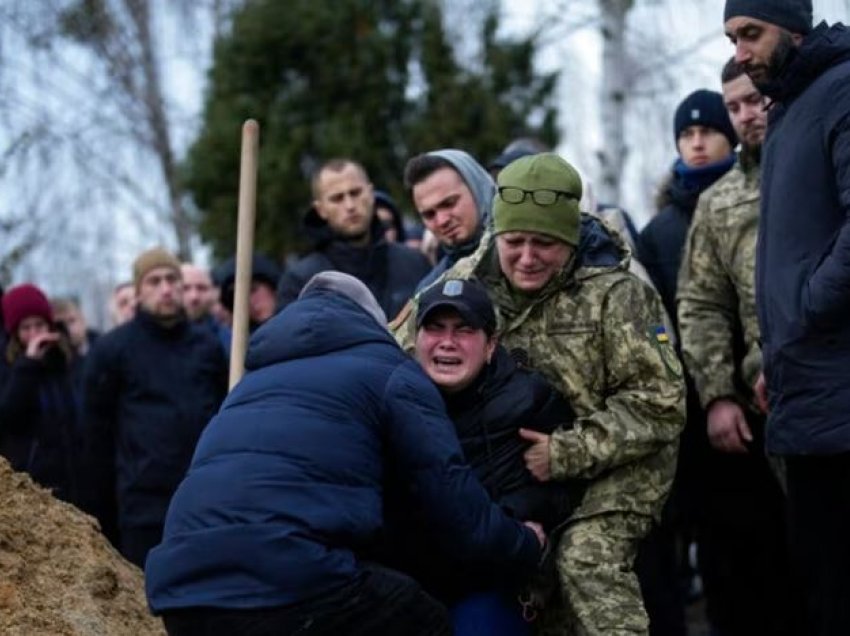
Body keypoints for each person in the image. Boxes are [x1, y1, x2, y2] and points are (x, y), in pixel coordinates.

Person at [145, 271, 543, 636]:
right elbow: (457, 507)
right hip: (287, 581)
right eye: (434, 328)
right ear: (376, 324)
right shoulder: (390, 371)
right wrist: (525, 544)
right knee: (427, 620)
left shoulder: (250, 385)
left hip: (181, 593)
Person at [395, 153, 685, 636]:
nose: (527, 259)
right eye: (515, 242)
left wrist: (566, 452)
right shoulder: (466, 283)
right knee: (522, 577)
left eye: (544, 244)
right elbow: (397, 350)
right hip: (516, 474)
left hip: (616, 465)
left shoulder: (616, 294)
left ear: (569, 241)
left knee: (583, 562)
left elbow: (660, 403)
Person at [723, 2, 850, 633]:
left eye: (752, 34)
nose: (740, 52)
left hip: (841, 400)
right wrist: (781, 356)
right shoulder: (790, 108)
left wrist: (805, 312)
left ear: (794, 29)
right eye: (732, 38)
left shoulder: (842, 90)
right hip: (806, 386)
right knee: (821, 589)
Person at [677, 57, 797, 636]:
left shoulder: (826, 160)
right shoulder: (719, 202)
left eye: (756, 99)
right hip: (771, 409)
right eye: (735, 106)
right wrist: (718, 394)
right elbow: (701, 304)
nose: (749, 114)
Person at [402, 279, 581, 633]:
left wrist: (514, 517)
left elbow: (565, 490)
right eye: (435, 329)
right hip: (411, 576)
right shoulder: (395, 396)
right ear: (416, 340)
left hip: (493, 576)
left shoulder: (531, 399)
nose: (447, 343)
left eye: (464, 330)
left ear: (490, 345)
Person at [82, 248, 227, 566]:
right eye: (154, 281)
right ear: (138, 291)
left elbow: (222, 413)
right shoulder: (112, 350)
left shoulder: (207, 347)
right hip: (144, 508)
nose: (165, 288)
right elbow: (96, 436)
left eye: (172, 279)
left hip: (204, 499)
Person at [276, 159, 430, 320]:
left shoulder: (415, 263)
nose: (350, 205)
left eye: (355, 193)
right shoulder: (301, 282)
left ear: (370, 194)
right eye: (337, 198)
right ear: (321, 209)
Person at [0, 284, 83, 506]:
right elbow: (8, 415)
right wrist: (28, 364)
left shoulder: (68, 361)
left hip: (75, 478)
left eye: (39, 324)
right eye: (26, 328)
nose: (35, 333)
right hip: (35, 486)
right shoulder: (10, 369)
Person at [403, 149, 495, 291]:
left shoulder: (526, 256)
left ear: (478, 188)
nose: (442, 221)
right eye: (429, 214)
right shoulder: (431, 290)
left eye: (449, 203)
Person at [215, 253, 280, 333]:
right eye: (238, 297)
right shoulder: (241, 341)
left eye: (253, 290)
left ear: (272, 287)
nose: (249, 301)